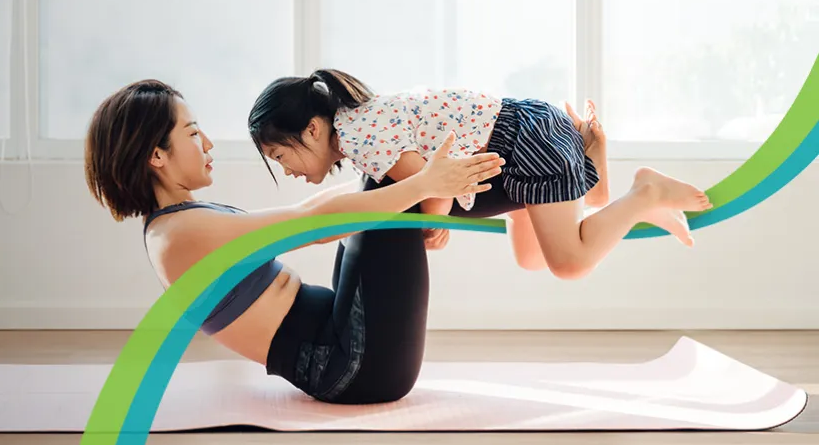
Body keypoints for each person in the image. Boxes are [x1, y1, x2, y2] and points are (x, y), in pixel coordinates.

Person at [83, 79, 504, 404]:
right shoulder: (177, 236)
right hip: (355, 366)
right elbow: (313, 223)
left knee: (389, 174)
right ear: (156, 156)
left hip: (352, 349)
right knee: (393, 177)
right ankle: (544, 166)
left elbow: (315, 206)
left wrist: (418, 181)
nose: (208, 143)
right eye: (193, 134)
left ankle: (541, 162)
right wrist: (424, 183)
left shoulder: (182, 222)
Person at [247, 69, 713, 280]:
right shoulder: (363, 119)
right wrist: (437, 208)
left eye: (279, 156)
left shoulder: (359, 136)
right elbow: (435, 174)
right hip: (525, 131)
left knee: (569, 263)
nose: (286, 171)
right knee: (532, 258)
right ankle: (609, 172)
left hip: (520, 145)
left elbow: (437, 177)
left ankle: (645, 192)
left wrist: (435, 220)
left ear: (311, 129)